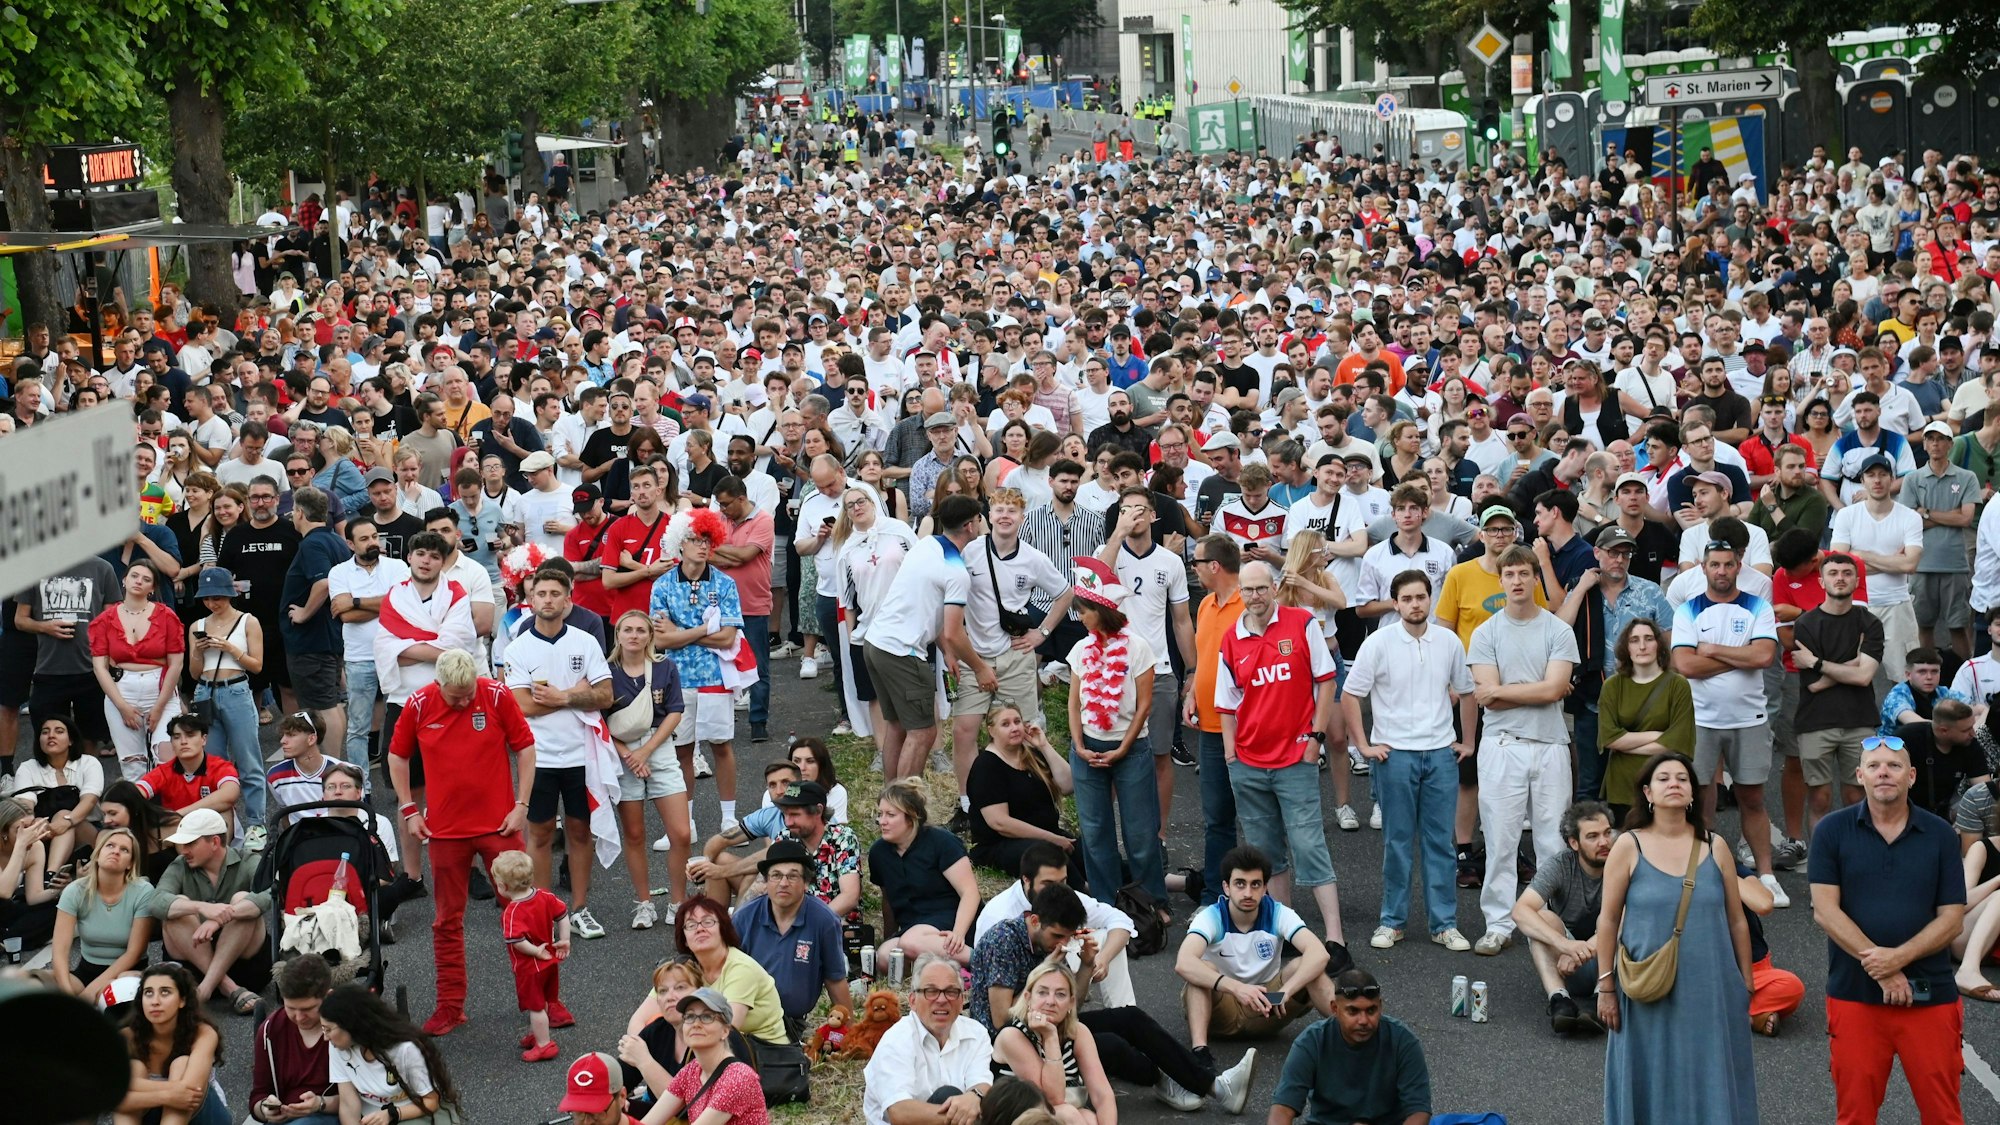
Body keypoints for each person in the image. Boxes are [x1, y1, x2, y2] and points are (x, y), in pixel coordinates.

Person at [1809, 735, 1971, 1122]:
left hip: (1931, 996)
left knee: (1943, 1114)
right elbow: (1825, 912)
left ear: (1911, 776)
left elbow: (1952, 918)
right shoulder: (1831, 830)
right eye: (1875, 766)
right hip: (1855, 995)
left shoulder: (1941, 835)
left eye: (1894, 765)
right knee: (1855, 1115)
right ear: (1859, 774)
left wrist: (1896, 961)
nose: (1884, 772)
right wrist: (1883, 971)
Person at [1595, 752, 1758, 1124]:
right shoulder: (1627, 845)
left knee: (1710, 1075)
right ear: (1647, 792)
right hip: (1647, 990)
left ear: (1692, 793)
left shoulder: (1715, 846)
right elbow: (1607, 921)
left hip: (1711, 989)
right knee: (1651, 1075)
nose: (1674, 783)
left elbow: (1737, 920)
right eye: (1664, 778)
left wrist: (1744, 983)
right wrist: (1606, 987)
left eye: (1682, 778)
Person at [386, 647, 538, 1036]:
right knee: (446, 921)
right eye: (457, 696)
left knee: (523, 913)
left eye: (470, 691)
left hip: (500, 827)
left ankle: (542, 1001)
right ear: (439, 684)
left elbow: (525, 746)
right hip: (445, 833)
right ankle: (450, 1006)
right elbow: (396, 757)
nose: (467, 700)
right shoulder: (418, 704)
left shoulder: (497, 694)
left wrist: (521, 804)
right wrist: (409, 809)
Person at [1215, 559, 1350, 968]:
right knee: (1266, 852)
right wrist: (1229, 754)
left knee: (1310, 844)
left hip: (1295, 756)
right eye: (1247, 590)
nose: (1254, 597)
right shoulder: (1231, 639)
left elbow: (1326, 682)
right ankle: (1286, 932)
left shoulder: (1303, 623)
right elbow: (1227, 703)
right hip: (1249, 762)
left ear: (1274, 587)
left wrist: (1316, 738)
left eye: (1261, 588)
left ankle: (1335, 939)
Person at [1343, 568, 1476, 953]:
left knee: (1440, 843)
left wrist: (1467, 742)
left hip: (1439, 753)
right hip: (1394, 754)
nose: (1415, 605)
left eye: (1421, 597)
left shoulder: (1449, 642)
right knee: (1397, 841)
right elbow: (1351, 695)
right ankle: (1392, 921)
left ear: (1429, 599)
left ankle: (1444, 924)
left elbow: (1467, 692)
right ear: (1396, 602)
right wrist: (1364, 747)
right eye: (1407, 599)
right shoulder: (1379, 642)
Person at [1467, 544, 1579, 954]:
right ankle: (1498, 922)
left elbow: (1553, 689)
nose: (1516, 581)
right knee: (1500, 840)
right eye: (1509, 574)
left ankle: (1549, 921)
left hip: (1550, 746)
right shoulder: (1486, 633)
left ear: (1536, 578)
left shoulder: (1557, 630)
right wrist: (1540, 691)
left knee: (1552, 841)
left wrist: (1506, 690)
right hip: (1501, 746)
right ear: (1501, 581)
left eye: (1523, 574)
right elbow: (1487, 698)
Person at [1671, 537, 1786, 905]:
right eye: (1715, 565)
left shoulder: (1758, 607)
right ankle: (1706, 872)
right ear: (1703, 568)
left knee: (1752, 796)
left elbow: (1765, 656)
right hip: (1700, 720)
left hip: (1749, 718)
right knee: (1702, 797)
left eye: (1729, 564)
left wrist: (1713, 650)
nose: (1721, 571)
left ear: (1740, 567)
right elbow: (1686, 665)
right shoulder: (1687, 610)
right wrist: (1742, 655)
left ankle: (1766, 876)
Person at [505, 568, 614, 939]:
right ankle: (545, 911)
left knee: (580, 833)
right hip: (539, 757)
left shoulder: (585, 642)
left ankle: (579, 909)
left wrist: (562, 696)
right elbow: (520, 705)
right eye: (541, 593)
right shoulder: (517, 647)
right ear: (531, 599)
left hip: (582, 755)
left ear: (568, 600)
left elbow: (606, 695)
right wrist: (574, 695)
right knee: (539, 833)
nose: (548, 599)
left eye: (556, 593)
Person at [864, 493, 993, 780]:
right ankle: (904, 805)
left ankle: (890, 802)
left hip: (875, 644)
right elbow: (954, 632)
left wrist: (947, 652)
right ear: (971, 526)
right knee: (923, 731)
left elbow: (927, 611)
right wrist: (981, 668)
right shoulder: (957, 571)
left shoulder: (926, 545)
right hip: (902, 653)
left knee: (897, 726)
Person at [1063, 557, 1165, 906]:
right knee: (1095, 833)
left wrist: (1122, 748)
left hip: (1131, 750)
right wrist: (1078, 744)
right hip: (1087, 749)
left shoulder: (1137, 648)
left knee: (1139, 833)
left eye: (1084, 611)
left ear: (1101, 610)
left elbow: (1145, 705)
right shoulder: (1080, 650)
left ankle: (1151, 903)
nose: (1080, 617)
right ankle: (1105, 903)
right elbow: (1073, 705)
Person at [1176, 843, 1338, 1058]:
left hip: (1268, 1007)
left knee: (1306, 965)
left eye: (1255, 885)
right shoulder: (1211, 916)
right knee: (1200, 969)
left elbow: (1320, 954)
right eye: (1240, 884)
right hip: (1221, 1011)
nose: (1248, 893)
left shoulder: (1278, 913)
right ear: (1226, 887)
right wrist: (1237, 988)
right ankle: (1200, 1053)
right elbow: (1183, 962)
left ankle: (1349, 1034)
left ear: (1264, 888)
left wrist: (1285, 992)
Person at [649, 508, 744, 833]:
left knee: (721, 746)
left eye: (706, 539)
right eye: (693, 539)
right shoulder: (661, 585)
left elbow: (728, 636)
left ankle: (729, 819)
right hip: (677, 680)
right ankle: (683, 822)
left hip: (716, 677)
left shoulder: (726, 583)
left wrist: (682, 631)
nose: (701, 546)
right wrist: (703, 630)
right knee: (682, 750)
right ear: (679, 543)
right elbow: (662, 639)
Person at [974, 842, 1138, 1009]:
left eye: (1063, 882)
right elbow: (1000, 1012)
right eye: (1048, 883)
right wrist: (1044, 971)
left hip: (1052, 965)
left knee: (1104, 938)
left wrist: (1102, 959)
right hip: (1015, 990)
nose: (1057, 890)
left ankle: (1124, 1010)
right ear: (1026, 880)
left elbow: (1120, 920)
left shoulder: (1062, 896)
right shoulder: (998, 918)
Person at [1267, 968, 1433, 1125]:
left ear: (1380, 1006)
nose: (1363, 1021)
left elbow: (1419, 1111)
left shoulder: (1403, 1041)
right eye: (1353, 1011)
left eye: (1371, 1010)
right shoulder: (1312, 1041)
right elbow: (1282, 1109)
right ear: (1335, 1009)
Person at [1792, 552, 1885, 829]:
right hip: (1815, 721)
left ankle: (1858, 859)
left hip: (1859, 720)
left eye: (1846, 573)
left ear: (1857, 580)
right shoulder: (1805, 623)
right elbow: (1814, 684)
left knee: (1857, 796)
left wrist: (1817, 662)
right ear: (1821, 581)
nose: (1840, 579)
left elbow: (1864, 677)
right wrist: (1853, 663)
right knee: (1819, 798)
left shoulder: (1870, 623)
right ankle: (1821, 861)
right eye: (1833, 574)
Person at [607, 608, 688, 925]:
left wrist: (646, 752)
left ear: (650, 636)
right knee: (635, 833)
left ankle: (677, 901)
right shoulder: (605, 671)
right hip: (621, 750)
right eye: (628, 630)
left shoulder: (665, 667)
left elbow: (674, 711)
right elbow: (597, 722)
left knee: (680, 833)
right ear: (619, 634)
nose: (634, 636)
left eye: (641, 630)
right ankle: (644, 902)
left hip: (659, 745)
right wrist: (629, 755)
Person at [147, 806, 269, 1013]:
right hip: (192, 965)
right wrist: (200, 907)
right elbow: (156, 902)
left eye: (190, 843)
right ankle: (228, 987)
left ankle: (204, 990)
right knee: (178, 904)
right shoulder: (179, 865)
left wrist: (219, 918)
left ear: (214, 842)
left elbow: (269, 895)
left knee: (242, 900)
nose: (183, 850)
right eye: (182, 844)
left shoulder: (248, 860)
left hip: (245, 966)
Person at [731, 839, 853, 1039]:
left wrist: (850, 1033)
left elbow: (835, 979)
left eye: (792, 876)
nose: (783, 883)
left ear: (806, 883)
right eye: (776, 875)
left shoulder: (824, 920)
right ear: (766, 882)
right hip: (746, 1019)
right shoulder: (744, 918)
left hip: (790, 1024)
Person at [1511, 801, 1615, 1036]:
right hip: (1565, 965)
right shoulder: (1560, 865)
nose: (1604, 842)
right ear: (1574, 843)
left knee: (1613, 918)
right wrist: (1565, 945)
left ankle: (1600, 999)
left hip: (1610, 962)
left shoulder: (1621, 860)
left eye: (1607, 833)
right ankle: (1560, 1000)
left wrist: (1585, 948)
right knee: (1540, 918)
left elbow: (1627, 918)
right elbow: (1520, 911)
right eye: (1593, 836)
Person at [861, 953, 995, 1125]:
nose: (941, 1000)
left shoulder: (976, 1033)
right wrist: (967, 1116)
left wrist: (974, 1096)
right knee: (948, 1095)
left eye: (951, 992)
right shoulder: (896, 1040)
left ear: (962, 1000)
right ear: (913, 1001)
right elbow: (900, 1112)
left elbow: (981, 1083)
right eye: (930, 991)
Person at [1184, 534, 1245, 897]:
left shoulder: (1248, 605)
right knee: (1216, 818)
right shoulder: (1206, 604)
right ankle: (1214, 893)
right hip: (1208, 728)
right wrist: (1192, 693)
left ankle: (1257, 891)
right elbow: (1205, 657)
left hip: (1244, 727)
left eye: (1197, 562)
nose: (1194, 569)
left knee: (1255, 817)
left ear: (1214, 566)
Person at [870, 778, 982, 967]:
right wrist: (888, 935)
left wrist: (958, 933)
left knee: (911, 941)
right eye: (880, 814)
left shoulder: (941, 842)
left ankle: (983, 962)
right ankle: (946, 968)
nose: (883, 821)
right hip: (913, 925)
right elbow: (888, 899)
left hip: (952, 918)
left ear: (911, 815)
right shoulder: (878, 852)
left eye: (890, 814)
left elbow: (970, 892)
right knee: (885, 957)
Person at [91, 561, 186, 781]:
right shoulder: (104, 620)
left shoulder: (166, 615)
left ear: (152, 588)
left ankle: (169, 814)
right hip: (121, 690)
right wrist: (122, 706)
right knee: (133, 764)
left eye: (146, 579)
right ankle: (138, 814)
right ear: (124, 580)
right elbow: (99, 667)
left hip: (160, 689)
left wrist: (160, 705)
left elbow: (176, 664)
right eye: (134, 576)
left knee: (167, 757)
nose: (138, 581)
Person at [989, 962, 1117, 1125]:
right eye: (1042, 992)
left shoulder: (1079, 1032)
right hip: (1016, 1114)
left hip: (1062, 1110)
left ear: (1071, 1002)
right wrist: (1050, 1037)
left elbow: (1102, 1094)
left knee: (1089, 1118)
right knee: (1069, 1114)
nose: (1050, 1001)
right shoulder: (1012, 1036)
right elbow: (1052, 1098)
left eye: (1060, 994)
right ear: (1028, 998)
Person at [620, 989, 771, 1125]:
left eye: (706, 1017)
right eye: (690, 1016)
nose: (695, 1024)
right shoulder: (691, 1071)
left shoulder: (739, 1077)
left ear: (725, 1031)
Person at [967, 702, 1077, 881]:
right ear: (991, 730)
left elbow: (1068, 785)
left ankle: (1125, 890)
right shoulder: (986, 766)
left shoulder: (1031, 755)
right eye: (1005, 724)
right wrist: (1052, 839)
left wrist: (1044, 746)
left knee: (1092, 855)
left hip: (1048, 834)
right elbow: (1000, 823)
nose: (1014, 728)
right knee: (1051, 858)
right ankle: (1089, 893)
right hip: (1001, 845)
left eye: (1017, 721)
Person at [321, 984, 462, 1124]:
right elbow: (348, 1104)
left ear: (351, 1025)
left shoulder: (404, 1049)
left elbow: (431, 1102)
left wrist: (392, 1114)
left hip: (410, 1113)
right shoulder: (339, 1047)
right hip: (371, 1119)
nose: (325, 1037)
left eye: (328, 1030)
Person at [114, 962, 230, 1125]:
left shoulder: (203, 1033)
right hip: (151, 1110)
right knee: (135, 1067)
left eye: (165, 992)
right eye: (148, 993)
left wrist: (135, 1089)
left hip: (202, 1117)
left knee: (181, 1063)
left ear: (182, 1000)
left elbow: (190, 1092)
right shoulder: (126, 1036)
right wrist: (166, 1095)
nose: (155, 1001)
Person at [50, 825, 155, 998]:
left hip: (126, 972)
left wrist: (88, 995)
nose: (116, 852)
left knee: (113, 992)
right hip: (85, 971)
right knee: (35, 982)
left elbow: (134, 953)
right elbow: (60, 950)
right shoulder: (75, 890)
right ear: (97, 855)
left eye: (124, 850)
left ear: (130, 863)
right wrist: (67, 996)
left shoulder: (143, 891)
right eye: (110, 846)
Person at [492, 848, 571, 1063]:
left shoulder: (512, 912)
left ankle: (544, 1044)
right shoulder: (544, 896)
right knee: (543, 1000)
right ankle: (538, 1034)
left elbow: (517, 941)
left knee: (535, 1006)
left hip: (530, 967)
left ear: (504, 887)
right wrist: (564, 939)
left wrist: (535, 950)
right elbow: (563, 915)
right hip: (549, 963)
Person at [7, 712, 104, 876]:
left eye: (59, 731)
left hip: (85, 833)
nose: (51, 735)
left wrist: (67, 821)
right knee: (34, 822)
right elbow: (25, 806)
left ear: (71, 740)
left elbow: (90, 800)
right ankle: (49, 875)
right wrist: (38, 824)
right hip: (44, 834)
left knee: (64, 816)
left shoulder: (89, 763)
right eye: (45, 732)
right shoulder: (28, 768)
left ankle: (50, 873)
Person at [248, 955, 339, 1125]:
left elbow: (363, 1097)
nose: (298, 1017)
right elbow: (258, 1094)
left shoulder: (344, 1028)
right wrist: (265, 1110)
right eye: (290, 1008)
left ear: (328, 997)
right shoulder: (270, 1030)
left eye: (308, 1009)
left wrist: (319, 1103)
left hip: (330, 1114)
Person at [1952, 832, 2000, 1003]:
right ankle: (1968, 970)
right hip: (1965, 936)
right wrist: (1997, 880)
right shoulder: (1983, 848)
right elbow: (1959, 904)